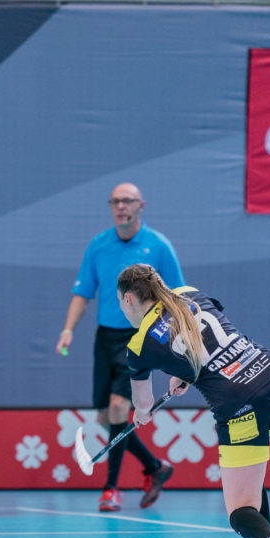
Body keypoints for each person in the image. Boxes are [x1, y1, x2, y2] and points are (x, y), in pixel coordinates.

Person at [116, 264, 270, 538]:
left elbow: (143, 405)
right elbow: (212, 341)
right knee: (251, 478)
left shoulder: (139, 345)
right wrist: (187, 374)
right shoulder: (186, 293)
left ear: (128, 299)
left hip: (241, 402)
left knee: (239, 510)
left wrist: (142, 415)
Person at [57, 183, 181, 512]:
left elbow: (178, 294)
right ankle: (156, 467)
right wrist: (68, 329)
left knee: (116, 408)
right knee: (104, 416)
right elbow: (83, 292)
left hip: (139, 337)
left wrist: (173, 338)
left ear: (141, 205)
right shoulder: (98, 246)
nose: (121, 206)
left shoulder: (159, 246)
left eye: (127, 201)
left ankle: (110, 489)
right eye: (115, 201)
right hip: (105, 337)